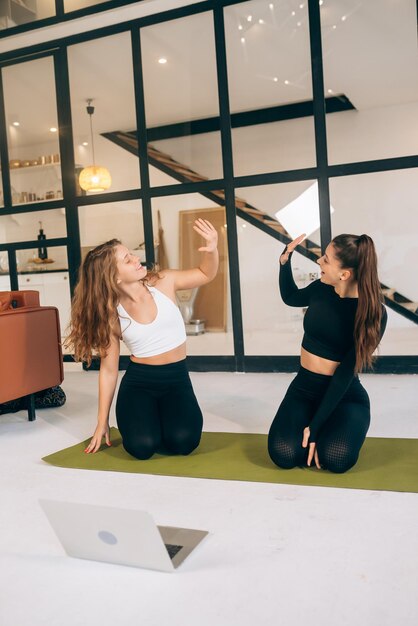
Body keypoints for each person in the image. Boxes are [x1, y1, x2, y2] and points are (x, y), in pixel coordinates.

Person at [65, 218, 218, 459]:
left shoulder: (164, 282)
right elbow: (108, 369)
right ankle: (146, 419)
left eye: (132, 255)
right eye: (127, 260)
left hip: (177, 380)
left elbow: (205, 273)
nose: (136, 259)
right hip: (140, 385)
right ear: (114, 277)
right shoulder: (112, 315)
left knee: (184, 443)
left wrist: (212, 249)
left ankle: (161, 419)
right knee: (142, 447)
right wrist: (101, 421)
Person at [268, 232, 387, 473]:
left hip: (344, 395)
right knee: (284, 454)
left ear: (345, 274)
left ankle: (329, 426)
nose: (319, 262)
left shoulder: (373, 314)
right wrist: (284, 261)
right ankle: (312, 427)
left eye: (326, 259)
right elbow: (291, 297)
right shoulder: (321, 289)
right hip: (304, 388)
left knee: (335, 459)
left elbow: (344, 373)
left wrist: (316, 426)